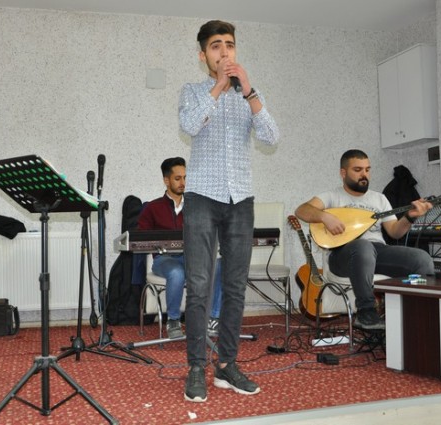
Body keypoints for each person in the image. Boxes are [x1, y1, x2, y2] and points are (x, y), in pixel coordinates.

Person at [178, 20, 279, 402]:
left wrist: (248, 90)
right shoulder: (193, 92)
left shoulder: (249, 94)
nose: (225, 51)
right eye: (216, 45)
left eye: (230, 45)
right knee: (199, 285)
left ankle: (226, 365)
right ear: (203, 55)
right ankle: (195, 368)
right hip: (202, 197)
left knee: (235, 286)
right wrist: (220, 86)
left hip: (241, 200)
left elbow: (271, 136)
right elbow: (190, 125)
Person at [294, 149, 435, 330]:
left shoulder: (379, 199)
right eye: (357, 170)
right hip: (342, 256)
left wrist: (409, 217)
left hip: (378, 252)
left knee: (421, 259)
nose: (364, 175)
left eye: (367, 170)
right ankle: (366, 312)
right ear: (343, 173)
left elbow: (395, 232)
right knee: (362, 246)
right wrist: (324, 217)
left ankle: (419, 316)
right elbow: (301, 210)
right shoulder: (331, 196)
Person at [137, 157, 223, 339]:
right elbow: (141, 237)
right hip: (164, 259)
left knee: (220, 265)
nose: (183, 182)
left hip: (192, 257)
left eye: (185, 177)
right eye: (177, 178)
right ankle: (174, 320)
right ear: (166, 180)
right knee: (177, 272)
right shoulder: (152, 208)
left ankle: (213, 318)